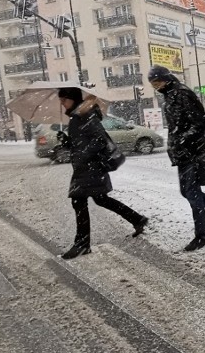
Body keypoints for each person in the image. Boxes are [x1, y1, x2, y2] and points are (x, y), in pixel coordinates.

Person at [147, 65, 205, 251]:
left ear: (166, 78)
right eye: (153, 84)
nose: (156, 86)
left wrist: (183, 140)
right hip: (184, 154)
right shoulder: (170, 95)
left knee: (191, 192)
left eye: (157, 82)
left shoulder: (182, 94)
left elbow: (201, 123)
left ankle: (202, 235)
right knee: (188, 191)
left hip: (193, 153)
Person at [56, 87, 148, 260]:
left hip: (90, 167)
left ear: (72, 99)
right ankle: (137, 219)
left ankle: (82, 244)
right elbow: (82, 142)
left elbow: (99, 140)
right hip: (86, 168)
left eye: (64, 99)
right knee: (100, 199)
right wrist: (67, 142)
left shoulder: (84, 115)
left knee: (79, 201)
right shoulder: (77, 115)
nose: (61, 102)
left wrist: (82, 154)